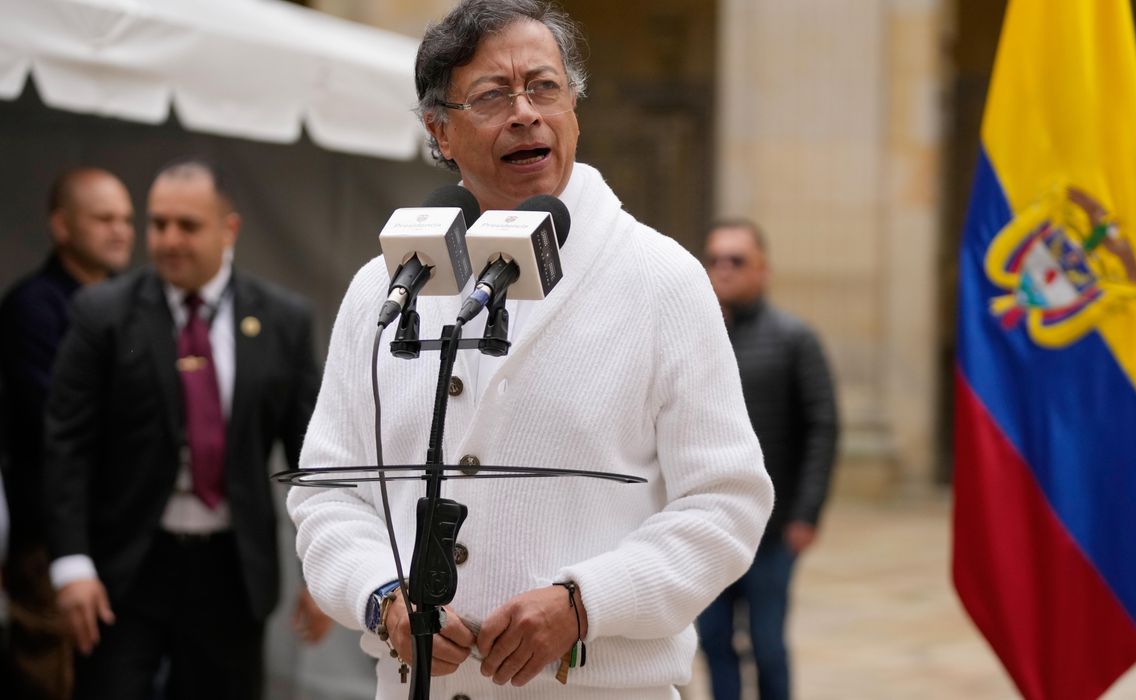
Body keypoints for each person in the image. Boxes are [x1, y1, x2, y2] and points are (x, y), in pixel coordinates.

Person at [287, 1, 775, 698]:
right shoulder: (382, 290)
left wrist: (585, 602)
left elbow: (726, 503)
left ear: (573, 109)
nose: (525, 113)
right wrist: (381, 595)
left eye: (544, 87)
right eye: (492, 96)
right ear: (439, 130)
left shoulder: (662, 280)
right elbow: (328, 494)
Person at [43, 158, 322, 700]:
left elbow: (310, 456)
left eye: (187, 225)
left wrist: (322, 571)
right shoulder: (103, 313)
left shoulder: (282, 319)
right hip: (126, 566)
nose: (169, 239)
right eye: (158, 223)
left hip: (231, 570)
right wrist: (71, 565)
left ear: (229, 229)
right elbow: (65, 444)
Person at [0, 167, 135, 700]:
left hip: (121, 536)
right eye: (104, 219)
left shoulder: (132, 305)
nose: (120, 230)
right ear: (62, 226)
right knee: (51, 678)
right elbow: (58, 424)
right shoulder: (33, 307)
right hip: (51, 541)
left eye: (126, 219)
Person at [696, 220, 840, 700]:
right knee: (713, 641)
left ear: (763, 269)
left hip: (772, 531)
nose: (723, 269)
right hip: (708, 527)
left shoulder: (795, 338)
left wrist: (807, 513)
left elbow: (822, 427)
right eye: (714, 260)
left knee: (768, 644)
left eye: (737, 260)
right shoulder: (698, 338)